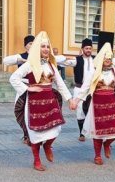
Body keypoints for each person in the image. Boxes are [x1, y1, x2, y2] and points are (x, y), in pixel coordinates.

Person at [9, 31, 75, 171]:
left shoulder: (51, 65)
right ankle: (37, 161)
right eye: (42, 46)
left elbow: (60, 83)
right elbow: (13, 78)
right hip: (34, 103)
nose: (45, 49)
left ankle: (47, 145)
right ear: (37, 48)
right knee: (35, 133)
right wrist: (27, 89)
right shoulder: (29, 65)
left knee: (57, 127)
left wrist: (70, 99)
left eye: (47, 46)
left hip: (50, 101)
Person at [73, 43, 115, 165]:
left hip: (112, 103)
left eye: (109, 58)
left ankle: (107, 144)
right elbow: (85, 87)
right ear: (102, 58)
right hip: (97, 104)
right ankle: (97, 156)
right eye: (106, 58)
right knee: (97, 132)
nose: (108, 60)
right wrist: (76, 101)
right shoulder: (94, 72)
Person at [63, 38, 95, 142]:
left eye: (90, 48)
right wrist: (63, 58)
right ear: (82, 49)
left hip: (92, 90)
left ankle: (92, 131)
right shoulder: (77, 60)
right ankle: (82, 133)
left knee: (92, 109)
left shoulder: (95, 60)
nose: (88, 50)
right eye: (86, 48)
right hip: (79, 88)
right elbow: (65, 63)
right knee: (80, 111)